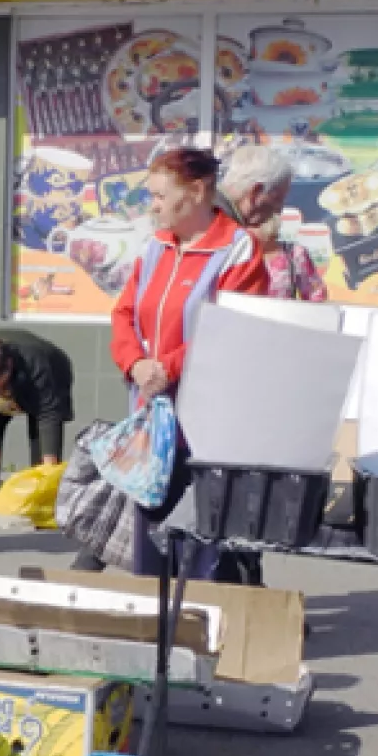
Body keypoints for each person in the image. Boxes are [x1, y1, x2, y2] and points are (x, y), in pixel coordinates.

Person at [109, 147, 269, 577]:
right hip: (151, 422)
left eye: (160, 196)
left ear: (197, 191)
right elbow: (124, 314)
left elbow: (232, 329)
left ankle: (208, 627)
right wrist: (135, 363)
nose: (153, 205)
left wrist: (169, 368)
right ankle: (156, 632)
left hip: (205, 426)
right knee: (152, 541)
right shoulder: (155, 248)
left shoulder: (238, 250)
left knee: (203, 542)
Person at [0, 329, 75, 496]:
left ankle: (41, 503)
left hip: (48, 378)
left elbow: (48, 414)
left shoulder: (36, 364)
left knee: (42, 464)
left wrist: (49, 469)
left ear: (8, 366)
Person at [252, 216, 329, 303]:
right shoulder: (240, 253)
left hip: (282, 314)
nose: (245, 230)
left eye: (251, 225)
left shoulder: (294, 253)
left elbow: (315, 294)